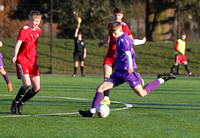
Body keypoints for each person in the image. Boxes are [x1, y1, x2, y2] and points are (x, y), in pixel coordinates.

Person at [79, 22, 176, 117]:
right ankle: (91, 112)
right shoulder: (123, 37)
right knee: (100, 88)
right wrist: (142, 41)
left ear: (120, 30)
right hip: (118, 72)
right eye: (112, 33)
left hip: (126, 72)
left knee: (142, 93)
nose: (113, 35)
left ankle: (163, 78)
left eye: (115, 33)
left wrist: (130, 66)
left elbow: (128, 55)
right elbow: (133, 42)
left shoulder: (122, 41)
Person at [98, 7, 135, 105]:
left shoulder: (124, 26)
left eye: (119, 15)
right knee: (107, 75)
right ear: (113, 15)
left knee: (126, 76)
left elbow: (130, 38)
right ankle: (106, 98)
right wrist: (103, 42)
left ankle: (137, 78)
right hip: (110, 55)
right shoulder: (110, 24)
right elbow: (109, 36)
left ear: (122, 16)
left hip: (120, 57)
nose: (117, 16)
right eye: (115, 15)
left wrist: (128, 47)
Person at [10, 10, 42, 114]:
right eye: (34, 21)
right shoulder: (24, 30)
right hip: (23, 60)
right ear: (30, 19)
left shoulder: (38, 31)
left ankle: (21, 102)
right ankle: (15, 101)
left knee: (37, 88)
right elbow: (18, 44)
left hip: (33, 62)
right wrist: (15, 56)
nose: (36, 23)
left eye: (38, 21)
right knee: (27, 84)